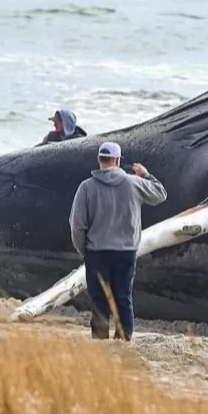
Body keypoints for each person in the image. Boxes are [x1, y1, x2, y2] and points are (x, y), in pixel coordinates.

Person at [68, 141, 168, 341]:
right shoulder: (134, 183)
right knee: (123, 298)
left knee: (99, 301)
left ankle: (100, 342)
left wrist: (83, 251)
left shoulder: (86, 188)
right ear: (117, 160)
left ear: (99, 161)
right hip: (126, 252)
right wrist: (146, 174)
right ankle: (123, 341)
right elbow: (161, 194)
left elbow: (77, 225)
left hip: (97, 253)